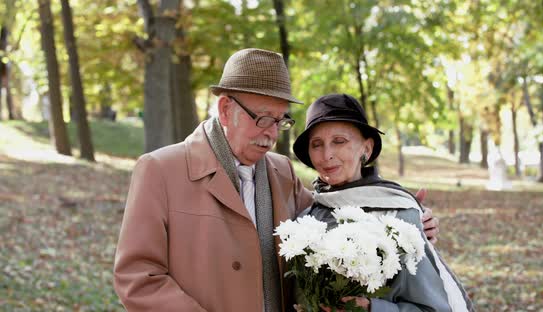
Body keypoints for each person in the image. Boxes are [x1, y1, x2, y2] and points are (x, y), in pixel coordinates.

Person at [113, 48, 440, 311]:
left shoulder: (282, 172)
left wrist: (404, 228)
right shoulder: (160, 170)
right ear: (226, 110)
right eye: (262, 118)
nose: (271, 134)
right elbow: (138, 278)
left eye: (280, 121)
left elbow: (336, 219)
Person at [292, 93, 474, 312]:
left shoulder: (399, 219)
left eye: (339, 141)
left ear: (366, 149)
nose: (326, 154)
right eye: (317, 144)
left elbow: (433, 308)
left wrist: (371, 308)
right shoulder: (304, 220)